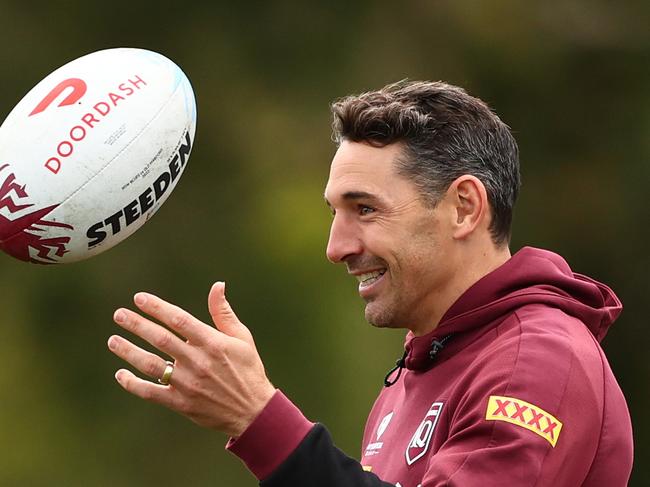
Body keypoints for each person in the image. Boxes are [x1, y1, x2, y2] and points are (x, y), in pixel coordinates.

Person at [107, 80, 634, 486]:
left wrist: (259, 420)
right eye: (336, 212)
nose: (336, 247)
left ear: (464, 208)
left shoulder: (536, 361)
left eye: (365, 209)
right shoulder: (425, 364)